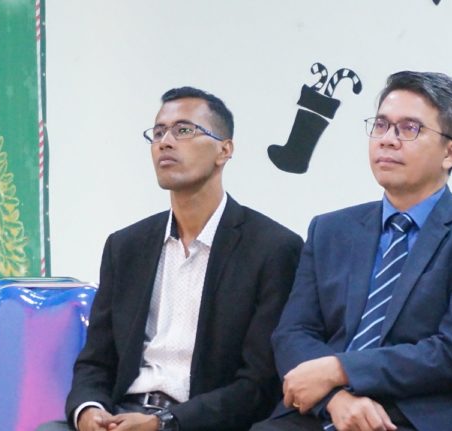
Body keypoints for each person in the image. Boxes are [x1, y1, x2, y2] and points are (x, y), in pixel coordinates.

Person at [251, 71, 452, 431]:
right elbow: (293, 333)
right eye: (381, 125)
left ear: (450, 152)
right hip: (322, 412)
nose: (388, 140)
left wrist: (340, 369)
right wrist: (335, 399)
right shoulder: (329, 229)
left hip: (413, 417)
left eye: (409, 128)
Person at [40, 87, 303, 431]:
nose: (165, 142)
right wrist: (89, 411)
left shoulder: (273, 248)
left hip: (201, 422)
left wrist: (165, 423)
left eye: (184, 130)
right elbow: (95, 362)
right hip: (123, 414)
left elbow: (258, 384)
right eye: (158, 132)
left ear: (224, 150)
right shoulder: (126, 247)